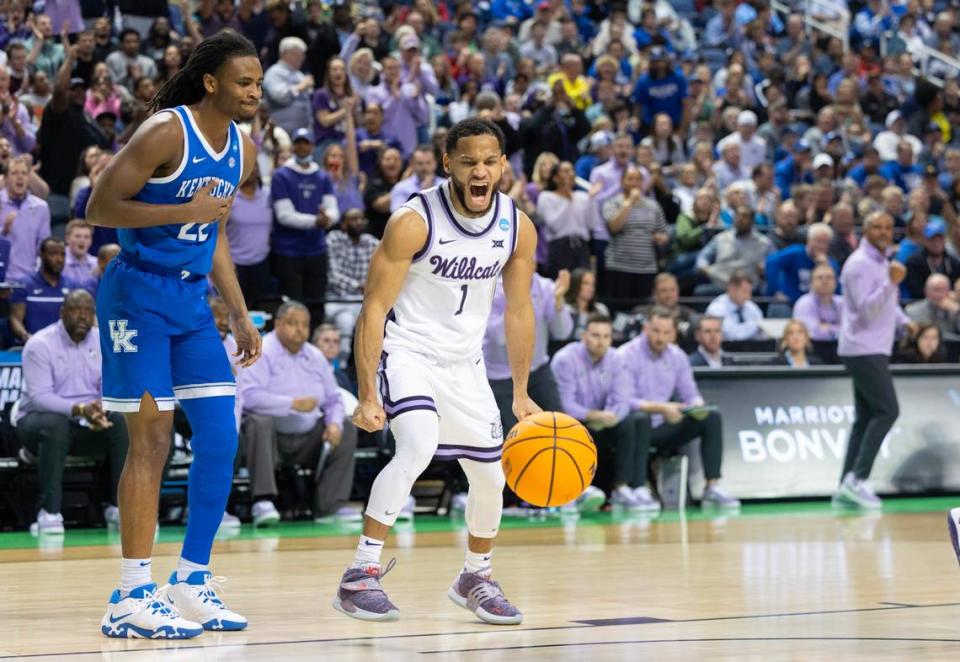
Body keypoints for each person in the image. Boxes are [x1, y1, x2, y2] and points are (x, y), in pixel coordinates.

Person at [86, 32, 264, 639]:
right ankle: (131, 594)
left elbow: (215, 237)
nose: (254, 93)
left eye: (258, 83)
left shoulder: (241, 146)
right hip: (136, 297)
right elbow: (98, 207)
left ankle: (190, 581)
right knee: (153, 440)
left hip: (191, 304)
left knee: (220, 434)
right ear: (212, 82)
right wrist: (176, 212)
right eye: (244, 82)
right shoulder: (167, 132)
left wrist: (237, 310)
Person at [336, 118, 538, 625]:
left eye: (490, 161)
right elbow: (374, 308)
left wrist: (521, 392)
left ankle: (476, 576)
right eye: (468, 160)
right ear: (448, 163)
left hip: (465, 362)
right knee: (418, 445)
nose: (480, 170)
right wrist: (366, 392)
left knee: (493, 476)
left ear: (503, 167)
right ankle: (359, 574)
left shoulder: (517, 226)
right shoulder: (413, 220)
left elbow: (518, 310)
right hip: (407, 350)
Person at [238, 301, 359, 526]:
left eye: (305, 324)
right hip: (269, 439)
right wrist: (290, 404)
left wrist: (334, 424)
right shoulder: (262, 350)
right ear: (278, 324)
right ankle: (263, 501)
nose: (299, 329)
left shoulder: (315, 356)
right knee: (259, 421)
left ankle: (330, 505)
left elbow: (333, 399)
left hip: (308, 437)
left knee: (347, 426)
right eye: (293, 323)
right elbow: (249, 396)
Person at [17, 290, 128, 534]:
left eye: (88, 311)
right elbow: (40, 398)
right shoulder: (40, 344)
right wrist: (80, 410)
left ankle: (119, 507)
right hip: (38, 423)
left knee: (123, 421)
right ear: (62, 313)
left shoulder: (103, 341)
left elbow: (111, 386)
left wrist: (100, 411)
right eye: (76, 310)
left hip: (88, 423)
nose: (83, 317)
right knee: (54, 424)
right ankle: (50, 512)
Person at [612, 307, 740, 509]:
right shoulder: (626, 355)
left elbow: (690, 393)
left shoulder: (678, 357)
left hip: (665, 425)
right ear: (646, 329)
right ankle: (637, 488)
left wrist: (696, 406)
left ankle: (711, 486)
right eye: (655, 331)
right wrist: (662, 408)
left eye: (666, 333)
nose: (660, 338)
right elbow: (624, 400)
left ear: (673, 333)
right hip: (632, 426)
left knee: (711, 417)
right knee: (639, 418)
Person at [834, 211, 916, 510]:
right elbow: (866, 311)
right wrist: (892, 283)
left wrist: (904, 321)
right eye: (877, 227)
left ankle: (845, 483)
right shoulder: (858, 265)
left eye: (887, 226)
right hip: (863, 348)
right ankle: (857, 479)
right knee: (888, 410)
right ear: (865, 230)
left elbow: (886, 307)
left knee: (865, 417)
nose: (883, 231)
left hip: (872, 348)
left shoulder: (881, 261)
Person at [551, 314, 651, 510]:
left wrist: (610, 417)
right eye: (595, 335)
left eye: (606, 336)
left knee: (634, 420)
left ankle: (624, 488)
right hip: (572, 423)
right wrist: (592, 415)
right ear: (583, 336)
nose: (601, 341)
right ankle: (572, 492)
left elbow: (622, 400)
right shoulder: (565, 359)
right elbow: (564, 404)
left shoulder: (617, 358)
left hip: (604, 422)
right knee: (566, 425)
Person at [485, 270, 572, 434]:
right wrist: (517, 303)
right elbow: (499, 336)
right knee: (514, 436)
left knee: (560, 428)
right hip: (501, 376)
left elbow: (562, 333)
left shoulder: (545, 287)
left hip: (537, 369)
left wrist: (558, 300)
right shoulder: (492, 288)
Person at [270, 127, 339, 326]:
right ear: (293, 146)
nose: (302, 147)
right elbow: (284, 215)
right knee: (292, 305)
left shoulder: (322, 176)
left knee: (317, 304)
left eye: (306, 142)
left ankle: (315, 349)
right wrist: (317, 221)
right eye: (298, 142)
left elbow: (332, 209)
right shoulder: (281, 176)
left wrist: (328, 219)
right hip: (289, 251)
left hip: (316, 250)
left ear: (312, 146)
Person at [601, 165, 669, 307]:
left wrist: (661, 238)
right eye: (630, 179)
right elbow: (614, 227)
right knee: (620, 309)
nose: (634, 183)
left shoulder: (653, 206)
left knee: (642, 309)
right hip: (619, 267)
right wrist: (629, 203)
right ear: (622, 181)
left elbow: (664, 232)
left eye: (638, 179)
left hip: (646, 268)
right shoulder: (612, 203)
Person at [325, 208, 379, 358]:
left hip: (363, 300)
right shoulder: (334, 239)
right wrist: (358, 285)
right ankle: (341, 365)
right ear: (343, 224)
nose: (359, 222)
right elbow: (333, 277)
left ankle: (371, 363)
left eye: (362, 219)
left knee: (380, 319)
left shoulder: (370, 241)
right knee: (346, 320)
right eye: (354, 219)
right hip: (337, 299)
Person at [10, 237, 78, 344]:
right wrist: (27, 338)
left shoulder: (72, 286)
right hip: (32, 346)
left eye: (62, 254)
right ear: (41, 255)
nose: (59, 259)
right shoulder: (24, 284)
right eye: (53, 254)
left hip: (65, 347)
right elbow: (15, 319)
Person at [536, 161, 594, 277]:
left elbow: (591, 224)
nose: (571, 174)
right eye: (566, 171)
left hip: (581, 247)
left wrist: (592, 200)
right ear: (556, 178)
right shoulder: (546, 197)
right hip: (559, 247)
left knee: (581, 288)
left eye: (572, 171)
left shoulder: (583, 197)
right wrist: (568, 199)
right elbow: (554, 225)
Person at [226, 165, 272, 309]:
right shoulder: (229, 196)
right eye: (248, 165)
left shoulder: (268, 195)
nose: (251, 170)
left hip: (262, 264)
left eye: (255, 166)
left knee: (261, 311)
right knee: (236, 310)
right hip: (235, 265)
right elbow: (219, 232)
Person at [765, 222, 839, 306]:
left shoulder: (831, 264)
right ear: (809, 240)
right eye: (818, 241)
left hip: (817, 307)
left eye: (825, 243)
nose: (821, 246)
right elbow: (771, 262)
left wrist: (825, 266)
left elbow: (837, 290)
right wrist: (776, 290)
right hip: (789, 303)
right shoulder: (796, 252)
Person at [3, 155, 51, 284]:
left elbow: (44, 246)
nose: (20, 177)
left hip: (29, 279)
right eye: (14, 173)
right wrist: (3, 231)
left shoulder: (41, 207)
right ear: (5, 178)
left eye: (24, 173)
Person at [262, 36, 314, 141]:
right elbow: (280, 97)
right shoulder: (274, 73)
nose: (302, 58)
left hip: (303, 134)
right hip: (281, 134)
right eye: (299, 54)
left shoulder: (300, 75)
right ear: (286, 53)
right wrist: (301, 87)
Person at [705, 271, 766, 341]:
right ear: (732, 289)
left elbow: (762, 334)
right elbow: (732, 335)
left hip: (753, 349)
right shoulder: (716, 308)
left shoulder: (752, 307)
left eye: (750, 292)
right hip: (726, 349)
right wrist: (755, 325)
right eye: (744, 291)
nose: (748, 296)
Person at [793, 263, 843, 341]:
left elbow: (851, 330)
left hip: (840, 348)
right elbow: (812, 333)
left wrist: (827, 328)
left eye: (829, 278)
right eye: (820, 278)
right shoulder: (804, 303)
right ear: (811, 283)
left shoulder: (842, 303)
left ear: (836, 282)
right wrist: (838, 329)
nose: (825, 281)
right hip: (812, 349)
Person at [904, 273, 960, 340]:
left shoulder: (954, 309)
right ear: (926, 291)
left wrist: (958, 311)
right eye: (936, 290)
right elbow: (931, 335)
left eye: (944, 290)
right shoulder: (913, 310)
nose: (940, 295)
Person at [563, 268, 609, 338]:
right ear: (575, 285)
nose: (591, 288)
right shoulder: (565, 309)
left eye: (593, 284)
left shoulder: (601, 309)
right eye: (586, 283)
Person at [62, 219, 98, 292]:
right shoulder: (60, 261)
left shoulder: (96, 263)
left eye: (86, 237)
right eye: (77, 236)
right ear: (67, 238)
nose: (82, 240)